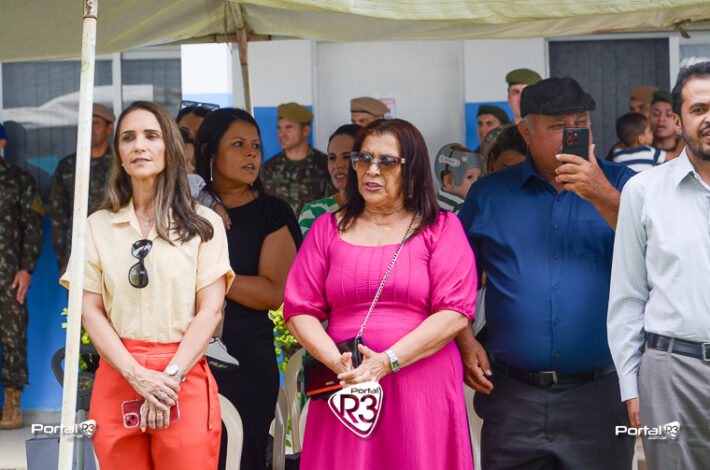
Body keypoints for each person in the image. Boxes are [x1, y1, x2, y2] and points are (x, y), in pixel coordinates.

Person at [457, 77, 637, 470]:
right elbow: (452, 278)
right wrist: (464, 338)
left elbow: (655, 253)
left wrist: (600, 193)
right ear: (526, 132)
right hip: (512, 397)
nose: (574, 135)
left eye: (581, 123)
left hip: (600, 395)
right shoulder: (489, 194)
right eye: (558, 126)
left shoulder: (624, 186)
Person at [284, 118, 477, 470]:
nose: (371, 170)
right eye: (363, 158)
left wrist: (385, 362)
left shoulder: (441, 228)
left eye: (387, 161)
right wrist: (339, 364)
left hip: (422, 382)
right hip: (347, 386)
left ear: (411, 169)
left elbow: (455, 312)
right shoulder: (326, 229)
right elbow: (299, 310)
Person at [59, 101, 234, 469]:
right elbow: (89, 310)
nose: (139, 146)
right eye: (128, 138)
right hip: (119, 372)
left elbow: (211, 310)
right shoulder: (96, 226)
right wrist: (136, 375)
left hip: (182, 374)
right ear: (119, 155)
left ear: (169, 148)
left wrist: (168, 379)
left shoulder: (204, 224)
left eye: (151, 136)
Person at [608, 61, 710, 470]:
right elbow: (628, 296)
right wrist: (630, 385)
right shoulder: (643, 191)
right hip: (670, 375)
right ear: (678, 122)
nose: (709, 118)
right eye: (699, 109)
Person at [194, 108, 302, 470]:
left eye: (255, 145)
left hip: (244, 358)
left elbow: (272, 292)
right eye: (238, 144)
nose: (251, 153)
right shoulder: (181, 209)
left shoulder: (272, 212)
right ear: (209, 152)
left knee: (241, 458)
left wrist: (210, 275)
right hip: (180, 356)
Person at [0, 123, 44, 429]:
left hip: (8, 278)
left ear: (2, 143)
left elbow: (33, 226)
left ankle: (12, 405)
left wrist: (26, 268)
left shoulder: (19, 180)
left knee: (12, 338)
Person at [49, 103, 115, 274]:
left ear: (110, 128)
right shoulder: (67, 166)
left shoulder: (120, 165)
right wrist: (63, 259)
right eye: (86, 123)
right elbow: (58, 215)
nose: (90, 129)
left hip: (115, 251)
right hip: (78, 254)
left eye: (96, 124)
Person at [261, 102, 332, 215]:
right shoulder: (267, 169)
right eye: (279, 128)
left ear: (306, 131)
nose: (281, 134)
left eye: (288, 128)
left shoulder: (326, 165)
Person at [299, 124, 361, 236]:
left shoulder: (380, 211)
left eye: (346, 157)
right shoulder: (314, 212)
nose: (337, 165)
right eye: (332, 158)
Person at [434, 143, 482, 214]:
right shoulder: (464, 207)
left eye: (479, 177)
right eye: (470, 177)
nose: (477, 182)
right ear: (448, 181)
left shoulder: (434, 201)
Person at [650, 89, 684, 160]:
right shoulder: (640, 151)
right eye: (656, 114)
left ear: (678, 120)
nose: (661, 119)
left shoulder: (690, 151)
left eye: (669, 115)